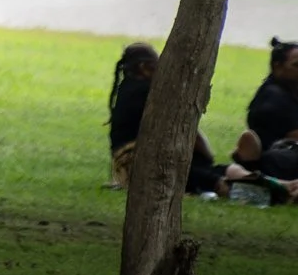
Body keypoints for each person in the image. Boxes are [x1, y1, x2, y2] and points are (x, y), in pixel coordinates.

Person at [107, 43, 254, 196]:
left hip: (131, 165)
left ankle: (243, 180)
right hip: (144, 165)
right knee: (206, 174)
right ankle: (245, 185)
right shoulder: (150, 92)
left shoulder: (127, 90)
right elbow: (187, 132)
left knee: (199, 169)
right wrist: (207, 156)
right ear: (144, 67)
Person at [244, 39, 298, 198]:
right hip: (288, 163)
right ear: (277, 67)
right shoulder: (276, 98)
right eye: (297, 65)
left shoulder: (294, 92)